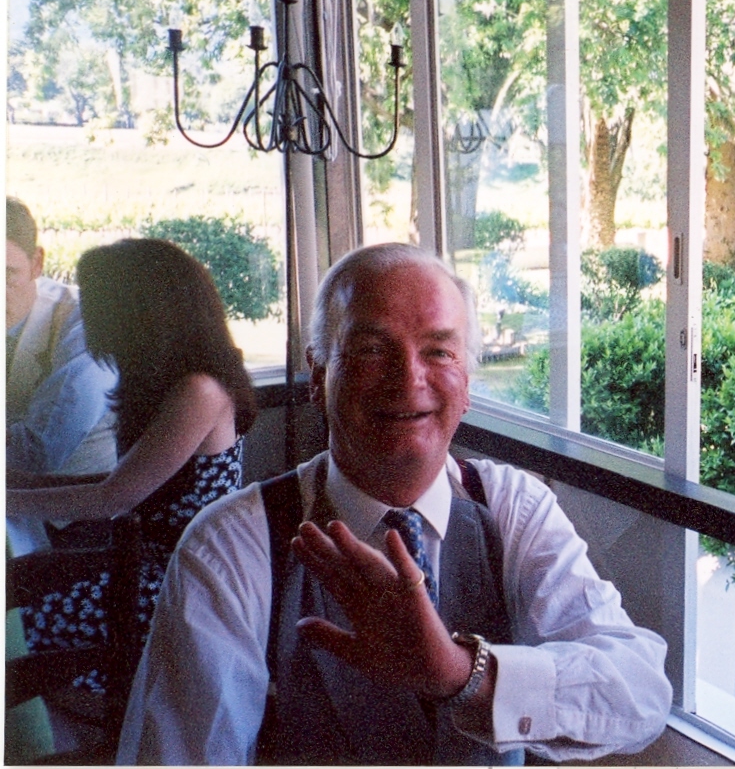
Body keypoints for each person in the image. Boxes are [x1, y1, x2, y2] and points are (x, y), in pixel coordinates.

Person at [117, 242, 672, 765]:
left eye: (439, 351)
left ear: (468, 381)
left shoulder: (512, 506)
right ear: (317, 376)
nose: (410, 381)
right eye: (371, 350)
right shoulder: (232, 546)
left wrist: (460, 675)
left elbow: (641, 695)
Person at [6, 238, 259, 691]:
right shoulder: (170, 381)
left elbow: (113, 498)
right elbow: (131, 482)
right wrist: (24, 484)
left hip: (183, 576)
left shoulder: (200, 390)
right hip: (144, 558)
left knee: (21, 625)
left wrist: (11, 499)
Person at [6, 197, 118, 513]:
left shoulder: (85, 324)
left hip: (72, 523)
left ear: (37, 263)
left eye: (6, 274)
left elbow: (39, 450)